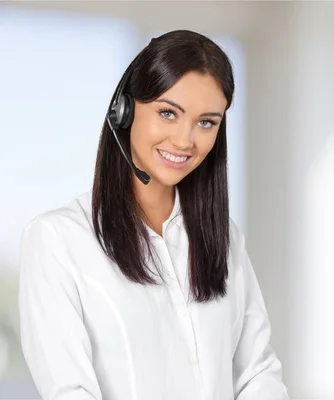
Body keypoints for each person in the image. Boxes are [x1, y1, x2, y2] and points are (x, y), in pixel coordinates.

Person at [18, 30, 289, 400]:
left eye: (206, 122)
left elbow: (256, 371)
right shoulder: (58, 240)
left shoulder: (224, 238)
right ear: (124, 111)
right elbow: (70, 391)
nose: (184, 141)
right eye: (167, 113)